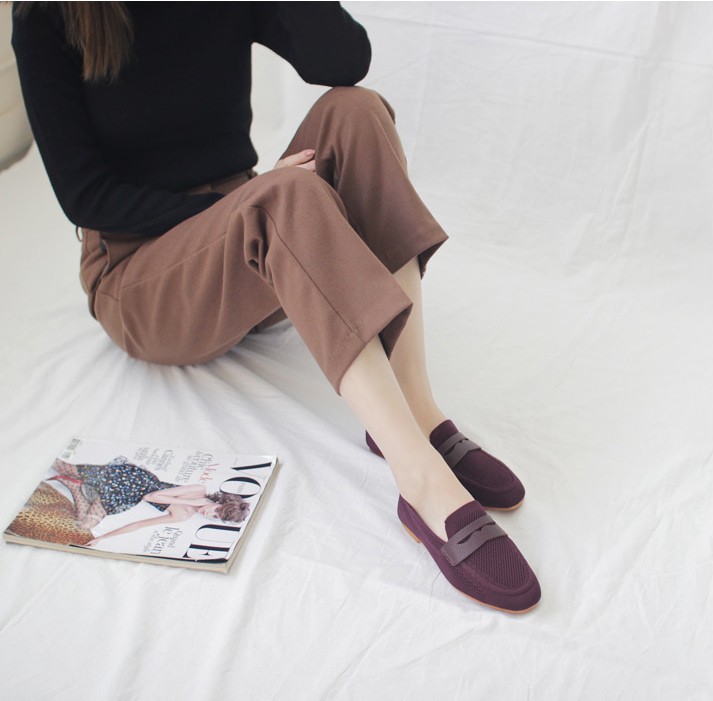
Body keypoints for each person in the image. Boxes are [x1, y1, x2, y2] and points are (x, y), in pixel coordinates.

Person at [12, 2, 540, 613]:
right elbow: (87, 196)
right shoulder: (49, 13)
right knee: (282, 195)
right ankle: (418, 476)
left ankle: (418, 412)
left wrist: (251, 201)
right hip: (141, 280)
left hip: (258, 248)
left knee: (356, 111)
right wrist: (242, 205)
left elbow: (344, 60)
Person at [48, 456, 250, 547]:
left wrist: (102, 538)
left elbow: (138, 525)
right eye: (215, 510)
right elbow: (151, 497)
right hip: (134, 480)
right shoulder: (199, 490)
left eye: (215, 517)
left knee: (84, 525)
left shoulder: (183, 515)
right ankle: (75, 478)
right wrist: (196, 501)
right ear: (219, 501)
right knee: (61, 466)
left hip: (125, 496)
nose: (209, 514)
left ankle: (74, 486)